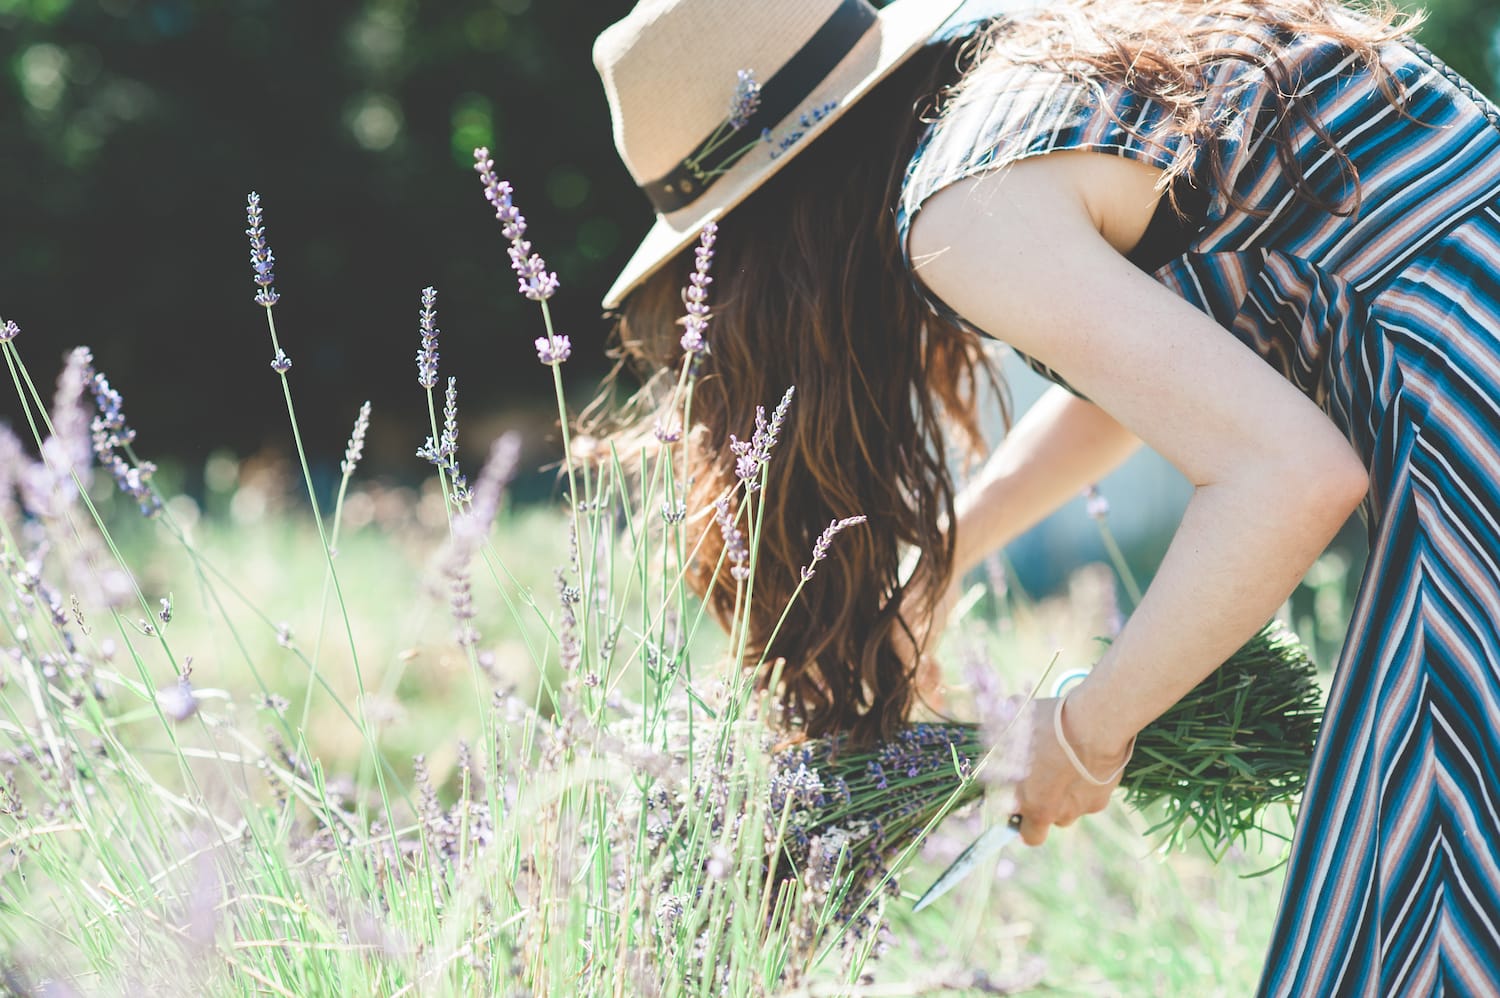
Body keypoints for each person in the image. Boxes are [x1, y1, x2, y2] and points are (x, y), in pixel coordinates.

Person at [591, 0, 1500, 992]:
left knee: (1411, 927)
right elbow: (1147, 384)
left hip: (1470, 427)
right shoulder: (1033, 92)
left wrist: (1086, 729)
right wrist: (939, 565)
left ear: (770, 242)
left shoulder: (962, 207)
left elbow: (1291, 474)